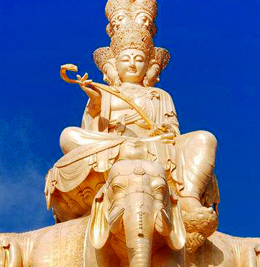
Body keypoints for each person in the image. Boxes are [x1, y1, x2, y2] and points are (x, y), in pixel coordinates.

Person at [46, 22, 218, 241]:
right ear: (115, 65)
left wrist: (164, 132)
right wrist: (95, 104)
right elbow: (90, 128)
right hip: (115, 144)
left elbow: (173, 130)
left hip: (154, 144)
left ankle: (188, 198)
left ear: (148, 65)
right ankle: (129, 151)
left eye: (139, 59)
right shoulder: (105, 92)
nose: (132, 64)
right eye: (126, 59)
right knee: (68, 135)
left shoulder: (160, 95)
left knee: (205, 138)